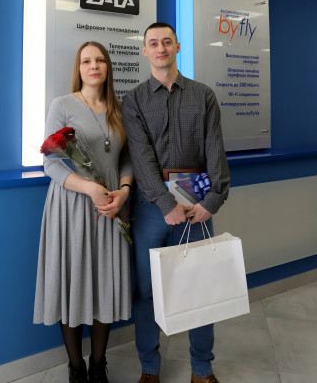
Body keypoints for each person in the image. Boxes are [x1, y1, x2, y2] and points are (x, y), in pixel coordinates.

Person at [122, 23, 230, 383]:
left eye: (166, 42)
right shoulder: (134, 100)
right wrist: (166, 204)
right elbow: (141, 158)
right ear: (145, 51)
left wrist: (213, 200)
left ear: (177, 46)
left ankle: (202, 368)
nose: (161, 48)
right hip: (151, 209)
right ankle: (149, 368)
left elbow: (215, 149)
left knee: (201, 288)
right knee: (146, 291)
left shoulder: (203, 95)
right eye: (153, 43)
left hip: (198, 206)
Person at [34, 41, 133, 383]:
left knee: (104, 282)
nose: (94, 66)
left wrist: (123, 191)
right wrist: (89, 188)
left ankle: (98, 364)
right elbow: (50, 163)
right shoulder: (62, 105)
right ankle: (76, 367)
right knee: (72, 283)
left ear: (108, 67)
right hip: (72, 206)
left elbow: (126, 158)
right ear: (78, 68)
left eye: (100, 60)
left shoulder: (120, 108)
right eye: (87, 61)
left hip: (110, 206)